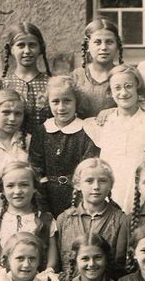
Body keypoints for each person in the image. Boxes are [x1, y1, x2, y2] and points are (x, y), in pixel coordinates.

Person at [83, 64, 145, 211]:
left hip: (140, 194)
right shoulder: (102, 123)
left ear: (137, 88)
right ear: (110, 92)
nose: (123, 92)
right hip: (109, 193)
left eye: (128, 86)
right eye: (117, 88)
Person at [0, 160, 59, 281]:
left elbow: (52, 264)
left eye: (24, 185)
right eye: (10, 186)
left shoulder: (46, 221)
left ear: (34, 188)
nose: (17, 191)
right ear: (2, 189)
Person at [28, 75, 100, 217]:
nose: (61, 107)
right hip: (46, 196)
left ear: (76, 101)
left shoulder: (86, 131)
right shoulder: (42, 131)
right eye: (55, 101)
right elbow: (35, 168)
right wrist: (42, 205)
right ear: (48, 103)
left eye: (67, 101)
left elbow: (88, 168)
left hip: (78, 195)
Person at [54, 158, 130, 281]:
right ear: (78, 185)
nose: (96, 186)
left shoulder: (120, 220)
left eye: (102, 181)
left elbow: (119, 264)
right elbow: (58, 263)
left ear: (110, 185)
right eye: (89, 181)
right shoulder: (64, 219)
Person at [0, 22, 52, 130]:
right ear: (11, 49)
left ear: (40, 48)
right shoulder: (1, 85)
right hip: (12, 141)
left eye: (32, 45)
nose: (27, 51)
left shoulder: (51, 84)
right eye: (21, 45)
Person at [70, 16, 123, 118]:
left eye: (109, 42)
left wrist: (115, 111)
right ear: (87, 46)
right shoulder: (76, 77)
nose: (103, 47)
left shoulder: (125, 75)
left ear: (117, 45)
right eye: (97, 42)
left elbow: (138, 106)